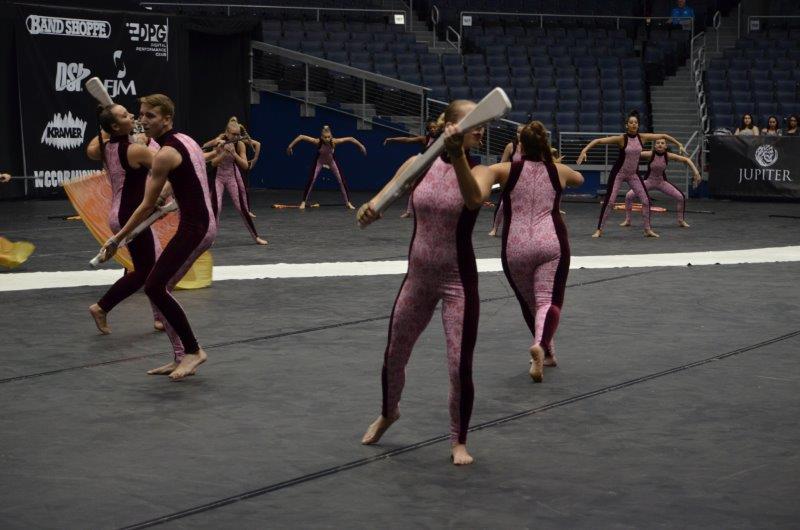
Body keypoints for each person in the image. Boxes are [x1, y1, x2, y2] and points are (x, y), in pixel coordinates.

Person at [357, 99, 484, 466]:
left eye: (484, 122)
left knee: (458, 365)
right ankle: (389, 412)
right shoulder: (419, 163)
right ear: (450, 125)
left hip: (458, 282)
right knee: (394, 352)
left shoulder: (480, 171)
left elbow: (473, 200)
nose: (481, 128)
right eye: (474, 121)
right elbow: (388, 193)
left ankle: (458, 440)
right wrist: (371, 209)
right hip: (418, 278)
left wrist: (457, 155)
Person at [99, 94, 217, 381]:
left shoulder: (164, 153)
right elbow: (189, 173)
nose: (142, 120)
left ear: (166, 119)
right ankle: (180, 355)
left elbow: (145, 206)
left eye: (150, 115)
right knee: (158, 289)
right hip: (199, 223)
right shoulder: (185, 140)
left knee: (155, 287)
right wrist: (167, 194)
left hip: (196, 228)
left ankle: (193, 351)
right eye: (141, 114)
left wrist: (117, 239)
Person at [459, 121, 583, 380]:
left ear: (520, 147)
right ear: (545, 145)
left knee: (530, 304)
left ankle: (547, 353)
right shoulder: (558, 171)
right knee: (547, 302)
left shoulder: (504, 169)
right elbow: (579, 179)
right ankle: (541, 345)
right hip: (550, 242)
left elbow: (480, 182)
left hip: (515, 246)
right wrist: (554, 163)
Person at [85, 103, 165, 334]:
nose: (132, 115)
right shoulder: (135, 150)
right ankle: (102, 307)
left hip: (119, 214)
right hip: (131, 215)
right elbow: (169, 165)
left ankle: (159, 316)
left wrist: (108, 124)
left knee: (147, 268)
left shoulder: (105, 147)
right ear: (114, 126)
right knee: (144, 272)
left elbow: (91, 149)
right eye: (124, 115)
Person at [577, 110, 685, 238]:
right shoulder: (622, 139)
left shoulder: (642, 138)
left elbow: (664, 135)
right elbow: (599, 141)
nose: (634, 124)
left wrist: (678, 144)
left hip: (633, 174)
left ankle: (647, 230)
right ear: (627, 125)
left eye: (636, 122)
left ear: (638, 125)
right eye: (631, 122)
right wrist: (584, 150)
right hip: (619, 173)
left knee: (646, 201)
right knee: (610, 201)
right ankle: (599, 229)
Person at [205, 117, 267, 245]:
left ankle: (256, 237)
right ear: (227, 133)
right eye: (234, 134)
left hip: (231, 176)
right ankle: (211, 237)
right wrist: (222, 153)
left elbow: (245, 165)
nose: (236, 137)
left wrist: (234, 154)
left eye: (238, 134)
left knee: (242, 208)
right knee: (216, 207)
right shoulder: (220, 141)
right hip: (218, 177)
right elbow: (213, 163)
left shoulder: (239, 144)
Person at [623, 138, 702, 229]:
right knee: (629, 195)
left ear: (665, 146)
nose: (660, 144)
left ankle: (681, 220)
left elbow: (687, 160)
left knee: (680, 197)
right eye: (658, 143)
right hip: (648, 181)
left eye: (662, 143)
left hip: (661, 182)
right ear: (655, 146)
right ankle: (628, 220)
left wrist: (696, 173)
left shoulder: (668, 155)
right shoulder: (650, 154)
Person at [286, 126, 366, 210]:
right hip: (319, 161)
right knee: (311, 179)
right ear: (321, 137)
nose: (327, 139)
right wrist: (290, 147)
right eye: (325, 137)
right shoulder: (317, 142)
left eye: (328, 137)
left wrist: (361, 146)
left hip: (331, 162)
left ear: (331, 136)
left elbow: (351, 139)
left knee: (341, 180)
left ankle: (348, 202)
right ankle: (303, 202)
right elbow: (301, 137)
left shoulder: (334, 141)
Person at [384, 119, 443, 218]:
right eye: (431, 128)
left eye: (435, 127)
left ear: (438, 128)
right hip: (425, 166)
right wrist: (392, 139)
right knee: (414, 187)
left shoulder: (443, 138)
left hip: (437, 168)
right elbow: (407, 140)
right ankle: (409, 211)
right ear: (428, 130)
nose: (433, 129)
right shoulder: (424, 139)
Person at [488, 124, 524, 237]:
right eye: (518, 132)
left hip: (524, 180)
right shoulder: (510, 146)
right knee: (502, 205)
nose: (519, 134)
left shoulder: (531, 147)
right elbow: (502, 163)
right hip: (511, 179)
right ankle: (495, 228)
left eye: (522, 132)